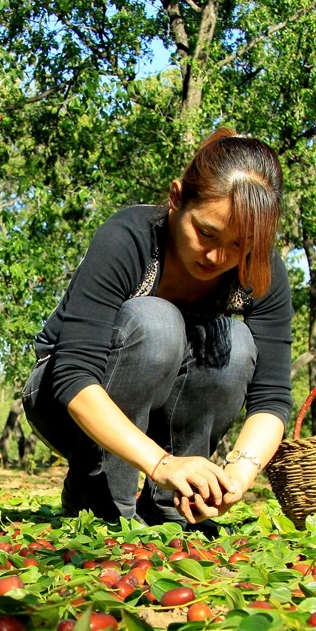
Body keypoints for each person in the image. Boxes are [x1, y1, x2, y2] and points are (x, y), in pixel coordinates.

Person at [22, 127, 292, 531]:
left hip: (163, 410)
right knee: (157, 323)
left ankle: (175, 505)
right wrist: (161, 463)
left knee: (234, 343)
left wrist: (238, 475)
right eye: (206, 233)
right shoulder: (129, 238)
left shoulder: (259, 271)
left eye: (240, 245)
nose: (218, 256)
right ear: (177, 197)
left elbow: (271, 399)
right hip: (63, 399)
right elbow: (73, 374)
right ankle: (98, 494)